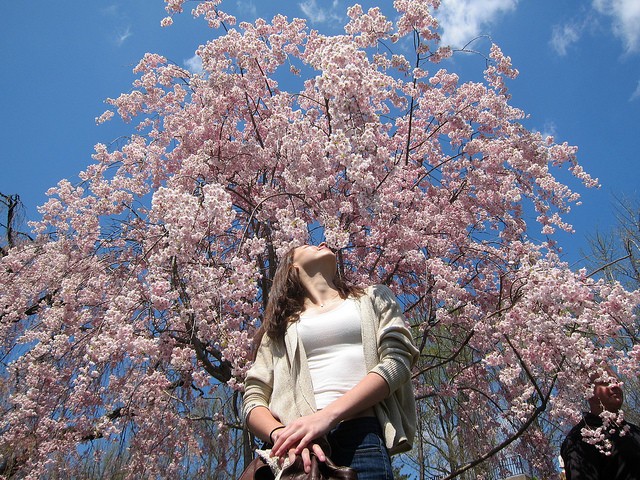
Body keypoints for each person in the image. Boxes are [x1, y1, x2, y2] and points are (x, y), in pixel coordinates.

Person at [242, 242, 419, 480]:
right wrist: (282, 435)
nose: (323, 242)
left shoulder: (373, 297)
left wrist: (326, 417)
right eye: (308, 244)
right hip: (301, 454)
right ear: (292, 266)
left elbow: (398, 360)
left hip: (361, 439)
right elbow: (254, 397)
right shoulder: (278, 330)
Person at [560, 370, 640, 480]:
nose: (614, 385)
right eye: (605, 382)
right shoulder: (580, 439)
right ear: (588, 391)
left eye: (616, 381)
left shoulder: (635, 431)